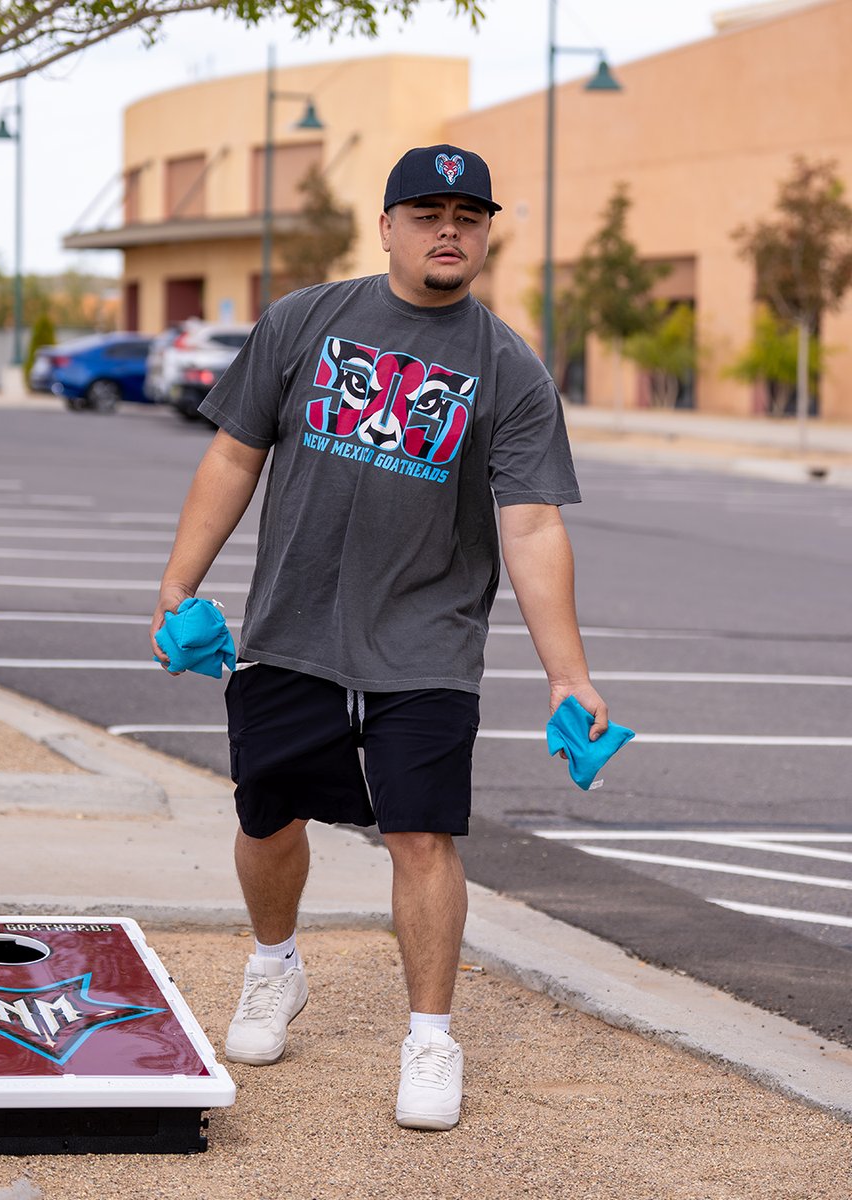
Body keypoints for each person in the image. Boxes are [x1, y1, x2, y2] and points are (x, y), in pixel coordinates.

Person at [151, 144, 609, 1132]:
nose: (451, 229)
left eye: (470, 216)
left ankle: (431, 1038)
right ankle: (275, 966)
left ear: (486, 233)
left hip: (428, 643)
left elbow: (531, 524)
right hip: (292, 625)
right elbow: (234, 457)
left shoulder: (508, 367)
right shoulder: (304, 322)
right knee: (269, 815)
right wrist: (178, 584)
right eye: (429, 211)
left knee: (423, 835)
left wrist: (569, 675)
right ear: (389, 224)